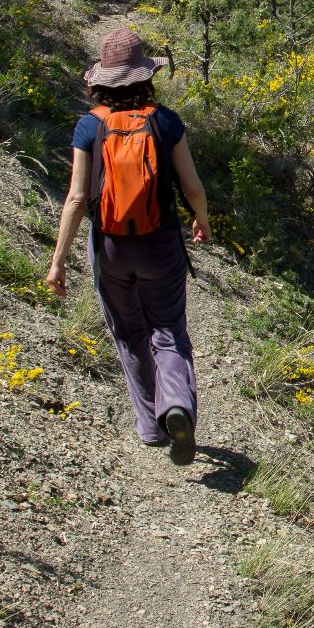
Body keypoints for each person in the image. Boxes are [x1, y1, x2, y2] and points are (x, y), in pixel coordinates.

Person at [44, 27, 211, 464]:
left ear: (102, 80)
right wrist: (202, 219)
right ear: (146, 76)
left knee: (129, 332)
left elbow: (76, 198)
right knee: (169, 331)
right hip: (161, 244)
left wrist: (58, 261)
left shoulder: (89, 125)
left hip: (110, 248)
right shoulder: (165, 121)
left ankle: (150, 425)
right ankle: (176, 405)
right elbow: (192, 187)